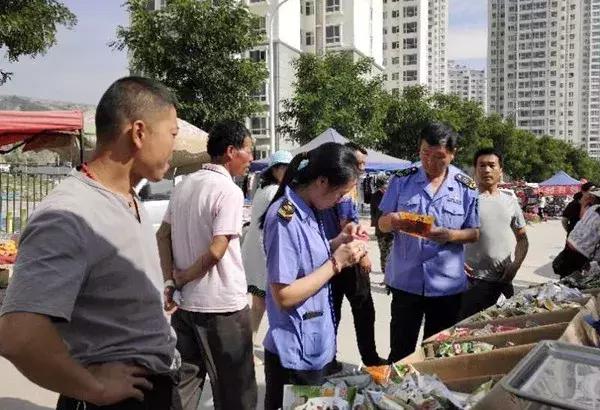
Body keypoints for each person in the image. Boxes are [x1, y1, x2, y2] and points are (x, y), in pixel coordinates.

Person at [0, 77, 182, 409]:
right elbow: (19, 335)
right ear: (139, 133)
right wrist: (94, 388)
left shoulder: (129, 198)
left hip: (152, 388)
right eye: (172, 133)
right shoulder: (69, 214)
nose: (175, 145)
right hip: (115, 399)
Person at [156, 121, 257, 410]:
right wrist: (183, 277)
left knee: (184, 388)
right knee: (236, 393)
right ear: (230, 151)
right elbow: (217, 250)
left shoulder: (184, 185)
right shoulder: (228, 190)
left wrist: (170, 282)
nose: (251, 159)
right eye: (248, 151)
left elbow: (162, 235)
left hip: (186, 307)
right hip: (222, 308)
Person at [261, 142, 368, 410]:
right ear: (321, 181)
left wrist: (338, 241)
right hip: (293, 352)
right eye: (340, 193)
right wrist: (337, 263)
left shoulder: (309, 210)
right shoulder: (285, 217)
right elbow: (284, 295)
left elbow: (308, 257)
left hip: (314, 342)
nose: (339, 201)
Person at [378, 122, 480, 363]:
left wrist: (450, 236)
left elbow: (474, 232)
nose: (431, 162)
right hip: (406, 281)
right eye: (425, 154)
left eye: (439, 157)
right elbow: (381, 225)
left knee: (437, 353)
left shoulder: (466, 187)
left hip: (446, 286)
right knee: (400, 351)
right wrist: (391, 220)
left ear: (453, 154)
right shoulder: (401, 180)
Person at [322, 142, 385, 370]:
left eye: (364, 164)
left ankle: (329, 360)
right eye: (359, 163)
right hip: (349, 259)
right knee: (364, 311)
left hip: (330, 258)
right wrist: (363, 255)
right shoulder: (346, 189)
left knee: (333, 312)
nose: (363, 168)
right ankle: (370, 359)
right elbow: (346, 224)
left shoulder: (330, 184)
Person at [459, 148, 529, 319]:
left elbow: (522, 239)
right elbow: (446, 237)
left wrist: (515, 265)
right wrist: (455, 260)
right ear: (475, 170)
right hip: (470, 283)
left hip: (503, 281)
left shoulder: (510, 202)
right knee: (467, 333)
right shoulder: (464, 201)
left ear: (500, 171)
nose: (487, 170)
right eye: (481, 165)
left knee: (503, 332)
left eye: (492, 165)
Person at [241, 150, 293, 342]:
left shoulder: (264, 190)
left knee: (258, 304)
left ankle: (248, 344)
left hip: (255, 252)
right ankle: (249, 345)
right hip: (264, 255)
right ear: (276, 169)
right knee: (264, 305)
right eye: (286, 168)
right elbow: (288, 217)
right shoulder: (275, 193)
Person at [553, 188, 600, 277]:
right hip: (582, 253)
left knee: (568, 277)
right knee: (575, 281)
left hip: (572, 245)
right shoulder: (593, 209)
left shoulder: (593, 208)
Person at [370, 173, 393, 274]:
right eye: (385, 185)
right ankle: (385, 275)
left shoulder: (392, 194)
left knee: (392, 254)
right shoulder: (375, 196)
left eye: (388, 184)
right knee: (383, 253)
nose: (387, 187)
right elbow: (373, 213)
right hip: (381, 231)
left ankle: (390, 275)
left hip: (392, 230)